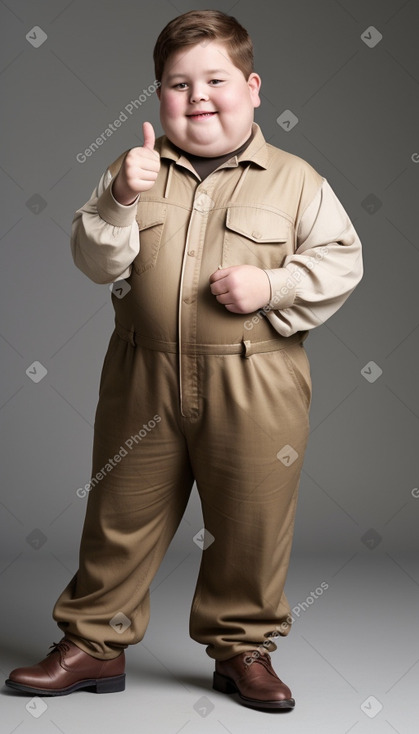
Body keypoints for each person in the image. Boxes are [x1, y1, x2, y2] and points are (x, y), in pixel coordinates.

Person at [6, 9, 363, 710]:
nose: (197, 96)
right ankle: (93, 645)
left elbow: (342, 261)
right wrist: (119, 197)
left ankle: (240, 648)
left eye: (215, 79)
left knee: (251, 517)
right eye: (176, 83)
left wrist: (273, 285)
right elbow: (91, 258)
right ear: (159, 95)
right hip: (143, 375)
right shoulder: (133, 169)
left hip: (255, 375)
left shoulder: (293, 179)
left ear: (252, 87)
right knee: (119, 514)